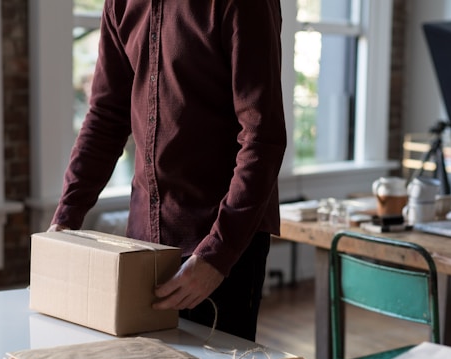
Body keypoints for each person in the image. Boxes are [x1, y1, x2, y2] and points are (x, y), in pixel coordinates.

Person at [49, 0, 287, 341]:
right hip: (142, 247)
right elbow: (106, 117)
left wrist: (217, 255)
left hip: (221, 245)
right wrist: (65, 220)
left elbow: (262, 138)